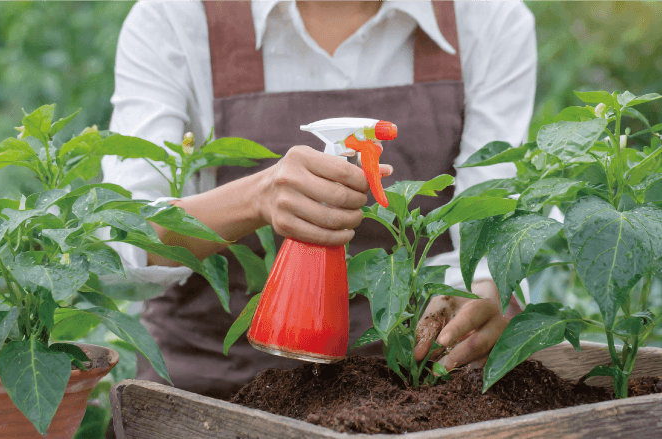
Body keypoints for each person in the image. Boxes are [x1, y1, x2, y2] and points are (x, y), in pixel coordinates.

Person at [102, 0, 536, 401]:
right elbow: (121, 239)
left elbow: (493, 207)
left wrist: (484, 287)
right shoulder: (177, 17)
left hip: (410, 395)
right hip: (209, 393)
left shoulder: (485, 17)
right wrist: (257, 197)